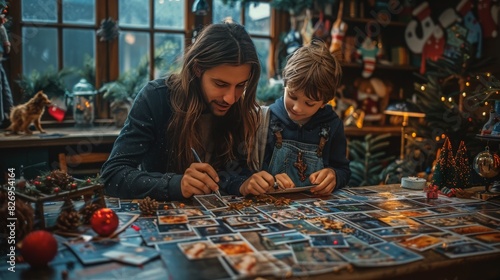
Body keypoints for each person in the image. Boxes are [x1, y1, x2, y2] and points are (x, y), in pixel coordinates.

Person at [101, 22, 272, 201]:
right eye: (220, 84)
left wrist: (243, 183)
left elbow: (231, 172)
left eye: (240, 86)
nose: (230, 98)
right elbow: (112, 175)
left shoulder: (237, 106)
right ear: (197, 69)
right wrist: (176, 184)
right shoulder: (156, 98)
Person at [259, 39, 351, 196]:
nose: (297, 108)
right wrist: (268, 180)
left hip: (317, 209)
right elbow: (250, 171)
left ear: (324, 102)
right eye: (292, 96)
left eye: (309, 103)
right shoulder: (266, 119)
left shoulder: (333, 125)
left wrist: (334, 176)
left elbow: (343, 170)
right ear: (285, 83)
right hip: (272, 205)